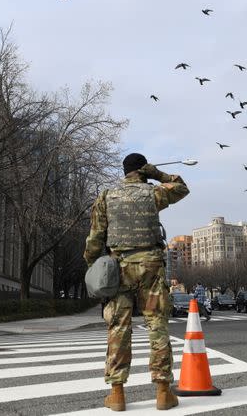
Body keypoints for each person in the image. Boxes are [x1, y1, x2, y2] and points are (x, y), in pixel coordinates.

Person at [83, 153, 189, 412]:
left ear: (125, 171)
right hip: (151, 265)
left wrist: (93, 265)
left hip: (118, 267)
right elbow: (182, 188)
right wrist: (159, 174)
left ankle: (117, 394)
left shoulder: (107, 196)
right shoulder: (153, 194)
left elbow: (95, 237)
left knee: (118, 328)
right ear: (143, 170)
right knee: (157, 326)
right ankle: (163, 392)